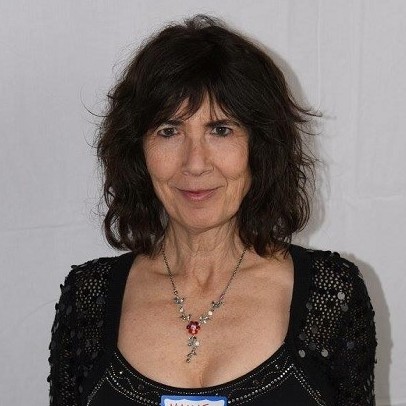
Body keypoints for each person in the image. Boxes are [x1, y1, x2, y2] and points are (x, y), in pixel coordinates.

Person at [48, 15, 376, 406]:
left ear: (260, 147)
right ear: (138, 151)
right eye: (169, 131)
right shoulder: (89, 299)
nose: (195, 163)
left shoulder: (331, 295)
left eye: (220, 130)